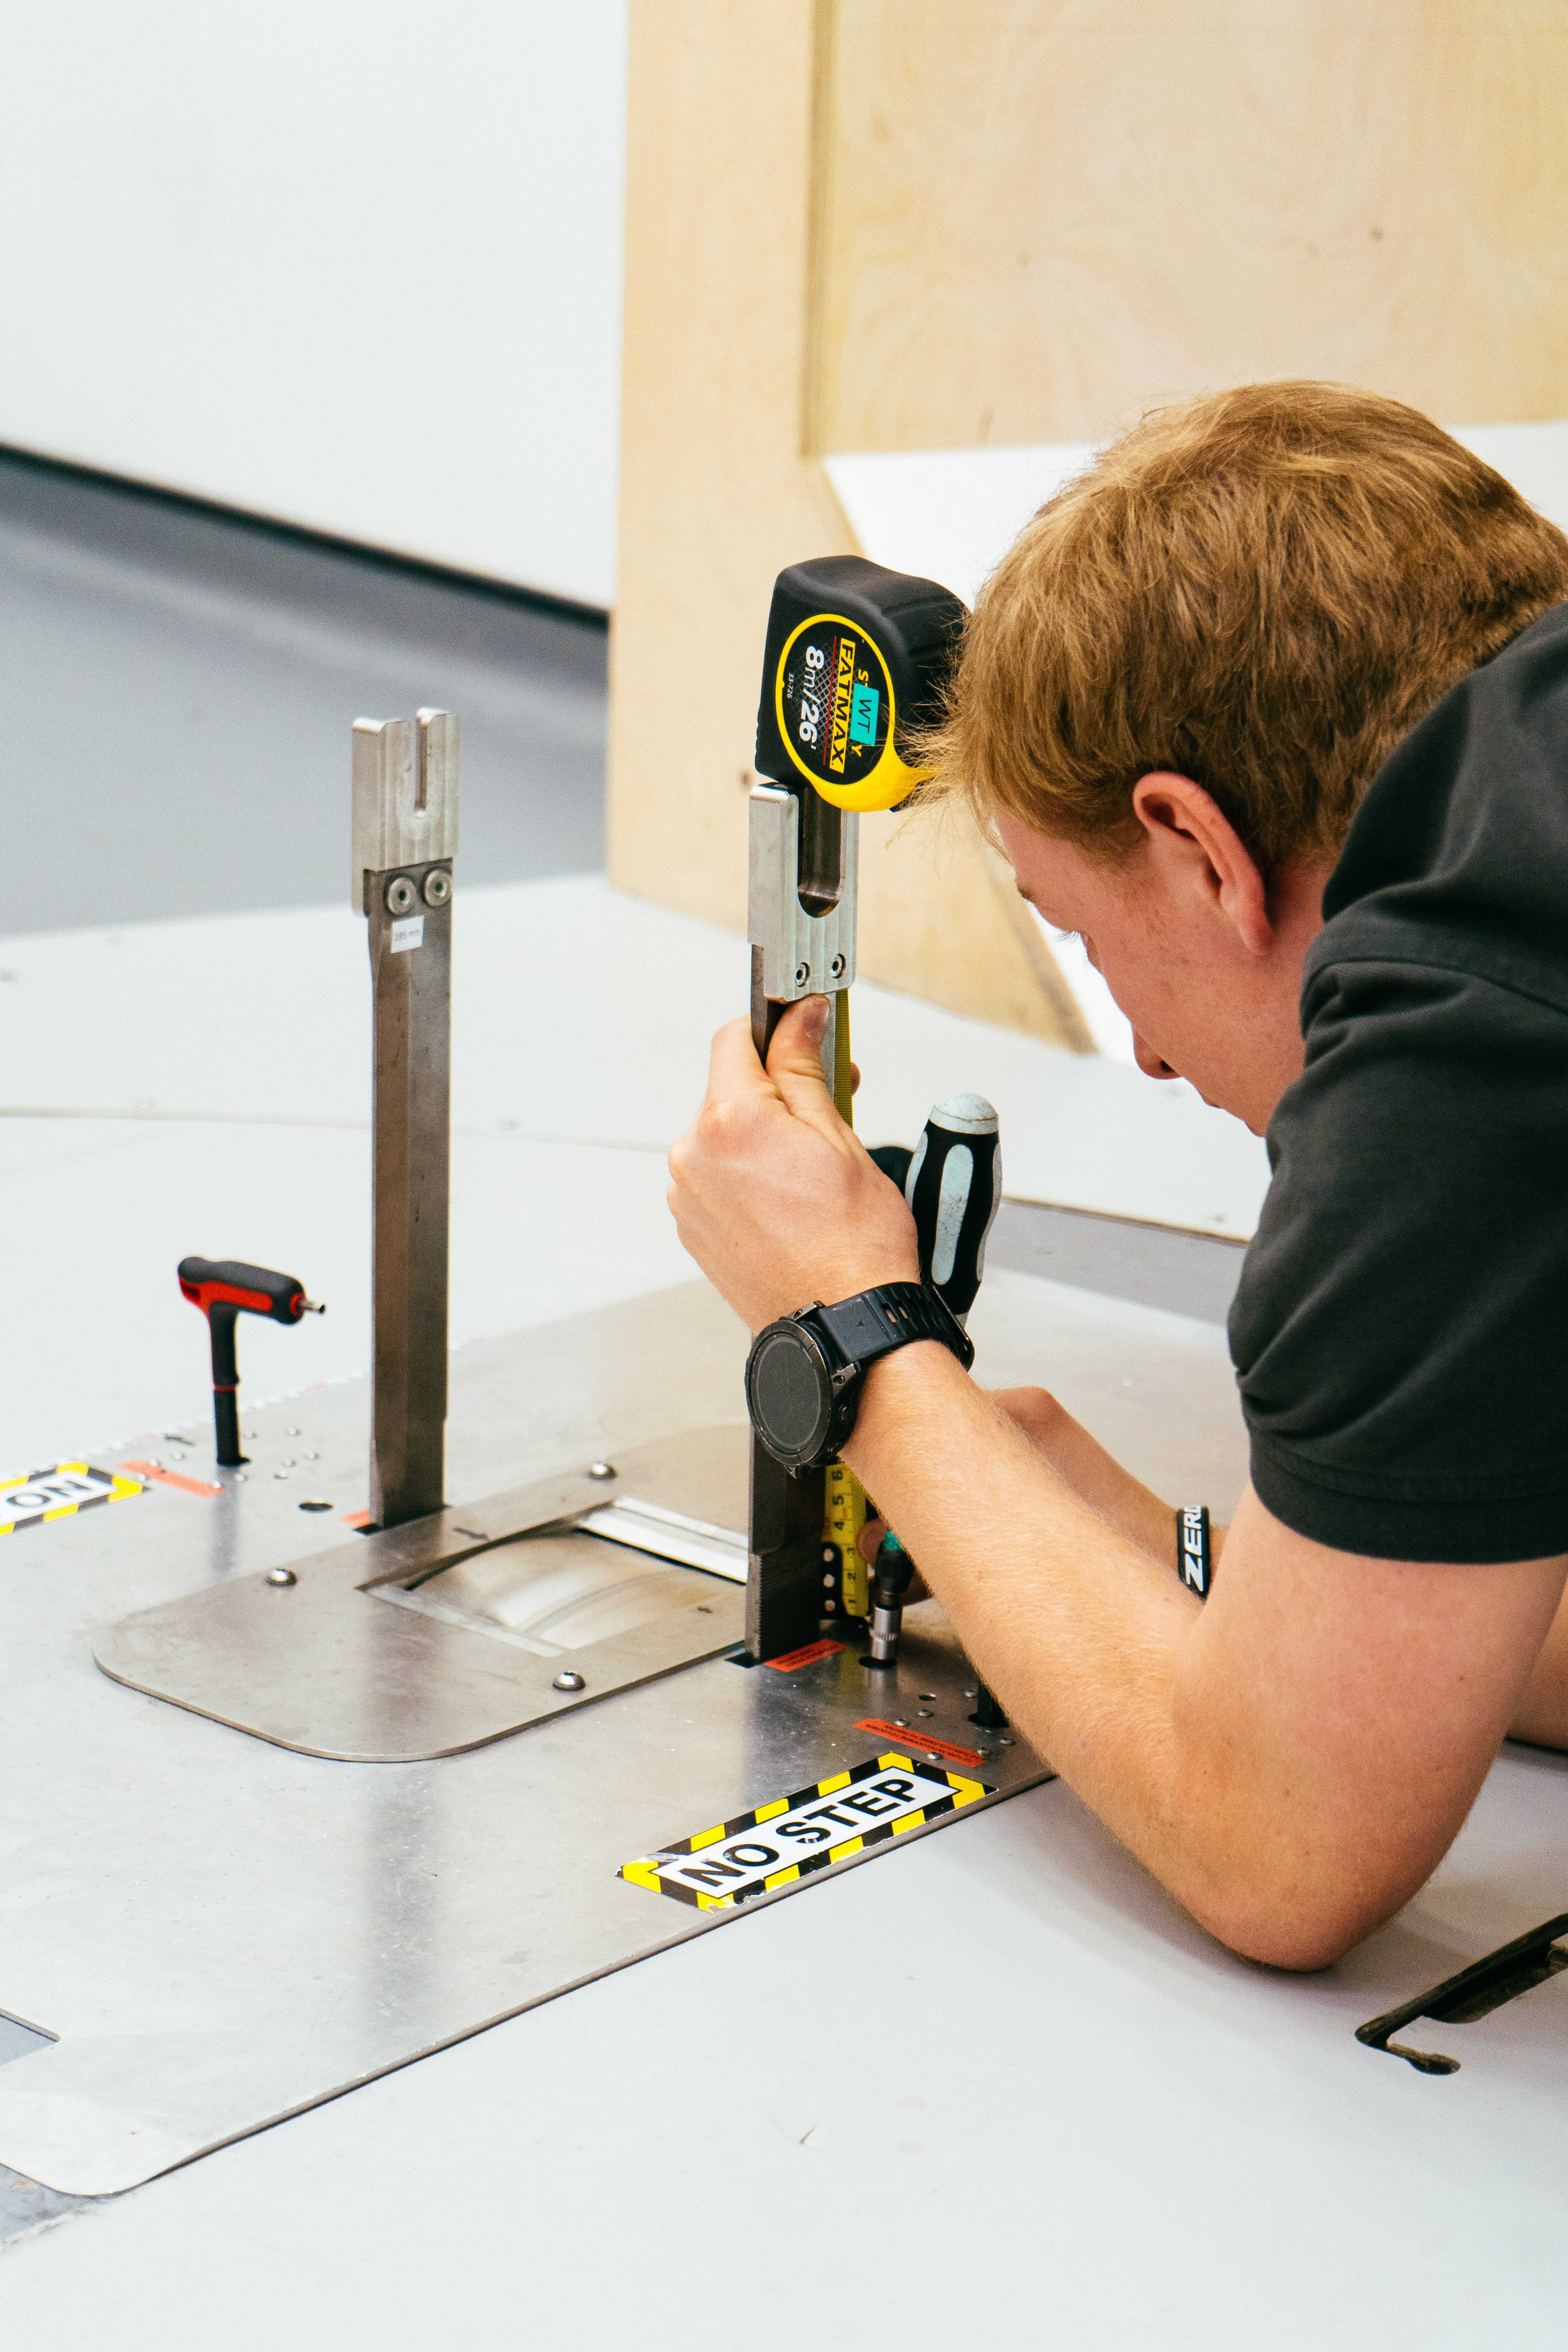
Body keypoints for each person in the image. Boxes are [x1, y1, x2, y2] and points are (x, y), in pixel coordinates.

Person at [667, 381, 1568, 1971]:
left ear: (1199, 848)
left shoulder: (1458, 1035)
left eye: (1085, 934)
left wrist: (857, 1336)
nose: (1144, 1055)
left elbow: (1281, 1851)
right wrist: (1212, 1578)